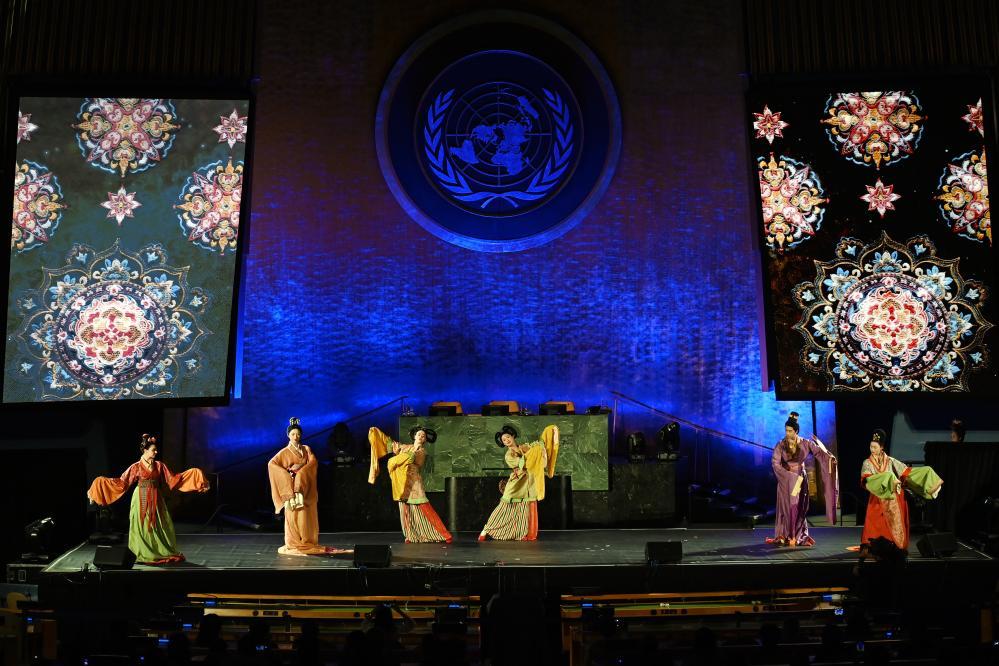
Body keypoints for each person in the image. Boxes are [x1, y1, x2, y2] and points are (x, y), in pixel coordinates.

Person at [87, 434, 209, 564]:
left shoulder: (159, 465)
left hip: (156, 497)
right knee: (141, 525)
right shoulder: (136, 467)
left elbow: (173, 479)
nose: (156, 452)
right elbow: (121, 483)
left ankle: (158, 550)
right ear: (145, 450)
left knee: (158, 525)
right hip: (141, 497)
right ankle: (141, 551)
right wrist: (100, 483)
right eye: (153, 450)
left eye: (156, 450)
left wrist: (195, 474)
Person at [267, 417, 350, 556]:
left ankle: (307, 541)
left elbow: (313, 463)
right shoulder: (284, 452)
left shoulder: (306, 449)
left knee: (305, 516)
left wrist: (302, 472)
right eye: (293, 434)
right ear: (288, 435)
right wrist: (287, 475)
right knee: (293, 516)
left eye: (298, 434)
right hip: (291, 489)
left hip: (305, 487)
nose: (296, 437)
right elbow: (272, 465)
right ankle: (293, 543)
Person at [861, 428, 943, 552]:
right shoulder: (867, 463)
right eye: (871, 447)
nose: (872, 450)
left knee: (895, 526)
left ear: (882, 447)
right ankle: (872, 546)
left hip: (894, 498)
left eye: (875, 447)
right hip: (878, 498)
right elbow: (867, 479)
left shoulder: (890, 461)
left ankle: (894, 547)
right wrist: (886, 479)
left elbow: (906, 472)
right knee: (875, 524)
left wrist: (924, 473)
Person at [367, 425, 452, 543]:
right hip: (402, 483)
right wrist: (377, 433)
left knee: (424, 508)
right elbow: (390, 444)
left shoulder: (422, 452)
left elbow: (413, 459)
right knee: (405, 510)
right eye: (419, 434)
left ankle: (443, 534)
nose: (421, 436)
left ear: (425, 440)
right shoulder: (405, 447)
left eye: (423, 436)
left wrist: (397, 458)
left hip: (414, 483)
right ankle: (410, 535)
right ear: (414, 436)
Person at [766, 412, 838, 547]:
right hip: (787, 481)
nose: (787, 434)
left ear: (796, 431)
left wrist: (830, 459)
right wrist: (789, 476)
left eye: (790, 431)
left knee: (800, 507)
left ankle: (798, 535)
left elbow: (819, 453)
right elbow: (775, 463)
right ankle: (785, 535)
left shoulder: (805, 443)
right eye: (786, 430)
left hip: (800, 479)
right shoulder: (781, 444)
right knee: (788, 507)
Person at [478, 424, 559, 541]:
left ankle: (522, 534)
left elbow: (536, 453)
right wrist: (534, 453)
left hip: (529, 482)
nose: (507, 440)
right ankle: (486, 529)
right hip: (516, 483)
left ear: (513, 436)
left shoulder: (524, 447)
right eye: (504, 440)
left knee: (524, 510)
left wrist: (543, 446)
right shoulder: (509, 455)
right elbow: (525, 463)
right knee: (504, 507)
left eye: (508, 437)